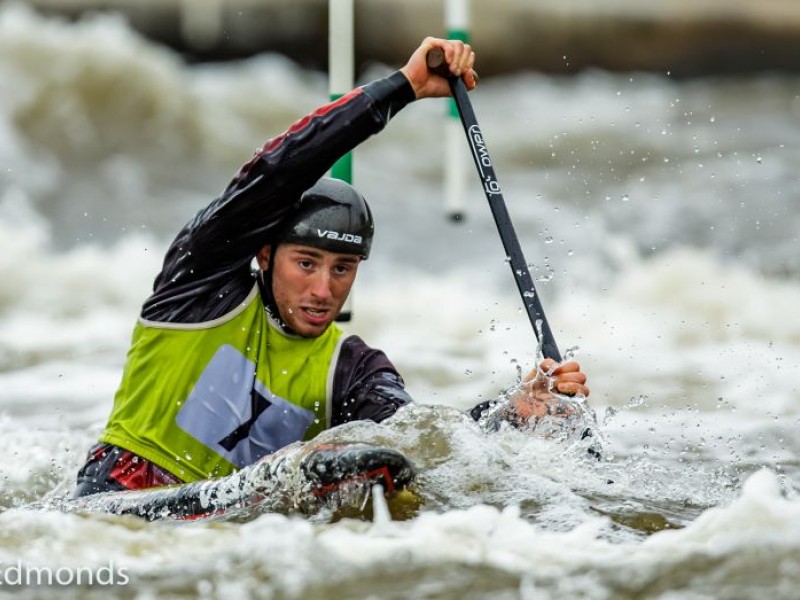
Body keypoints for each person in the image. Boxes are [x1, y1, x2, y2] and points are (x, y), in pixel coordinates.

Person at [74, 38, 590, 498]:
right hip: (121, 495)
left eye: (343, 269)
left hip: (227, 521)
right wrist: (403, 88)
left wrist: (514, 411)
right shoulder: (195, 286)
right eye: (306, 263)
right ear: (264, 254)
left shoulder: (354, 370)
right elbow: (279, 169)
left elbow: (424, 442)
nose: (323, 290)